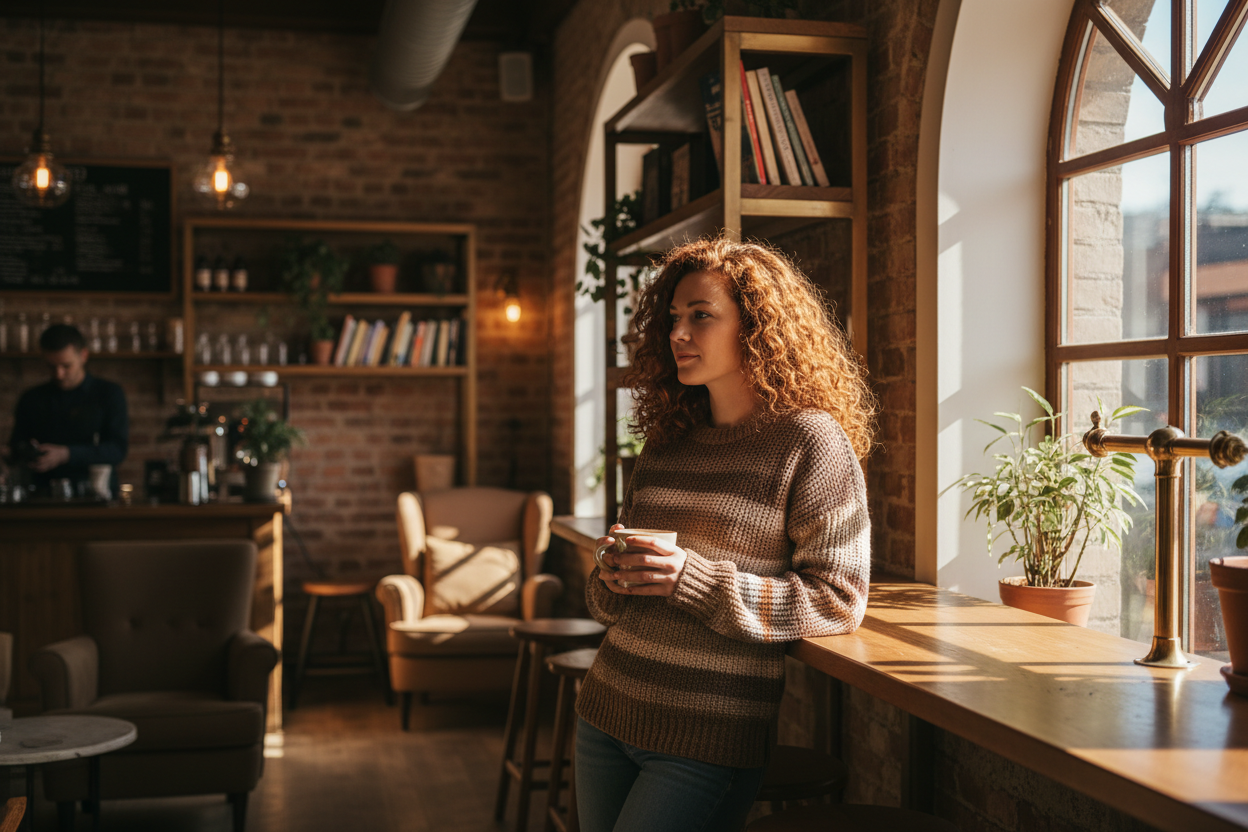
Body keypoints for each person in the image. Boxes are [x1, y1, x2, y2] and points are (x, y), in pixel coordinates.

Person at [575, 237, 875, 832]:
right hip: (605, 711)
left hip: (705, 737)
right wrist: (611, 572)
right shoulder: (665, 444)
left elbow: (840, 598)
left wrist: (689, 578)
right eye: (674, 318)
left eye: (701, 316)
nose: (678, 333)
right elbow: (609, 604)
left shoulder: (810, 442)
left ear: (757, 327)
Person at [7, 323, 129, 495]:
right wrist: (26, 452)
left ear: (83, 355)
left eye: (66, 366)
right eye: (51, 366)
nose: (59, 374)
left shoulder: (109, 393)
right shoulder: (32, 398)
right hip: (41, 494)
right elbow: (16, 446)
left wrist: (66, 454)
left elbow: (117, 450)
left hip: (96, 493)